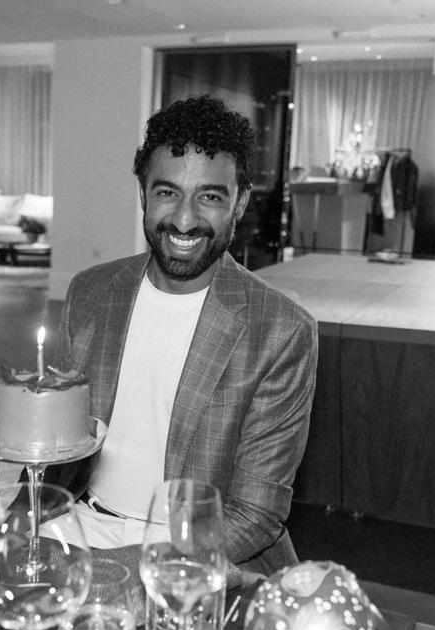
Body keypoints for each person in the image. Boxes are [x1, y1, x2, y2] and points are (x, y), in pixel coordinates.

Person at [50, 95, 318, 575]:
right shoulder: (90, 293)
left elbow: (254, 516)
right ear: (143, 192)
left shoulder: (281, 330)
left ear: (239, 202)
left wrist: (133, 570)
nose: (184, 219)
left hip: (197, 551)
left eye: (210, 197)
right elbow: (59, 444)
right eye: (167, 192)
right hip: (78, 526)